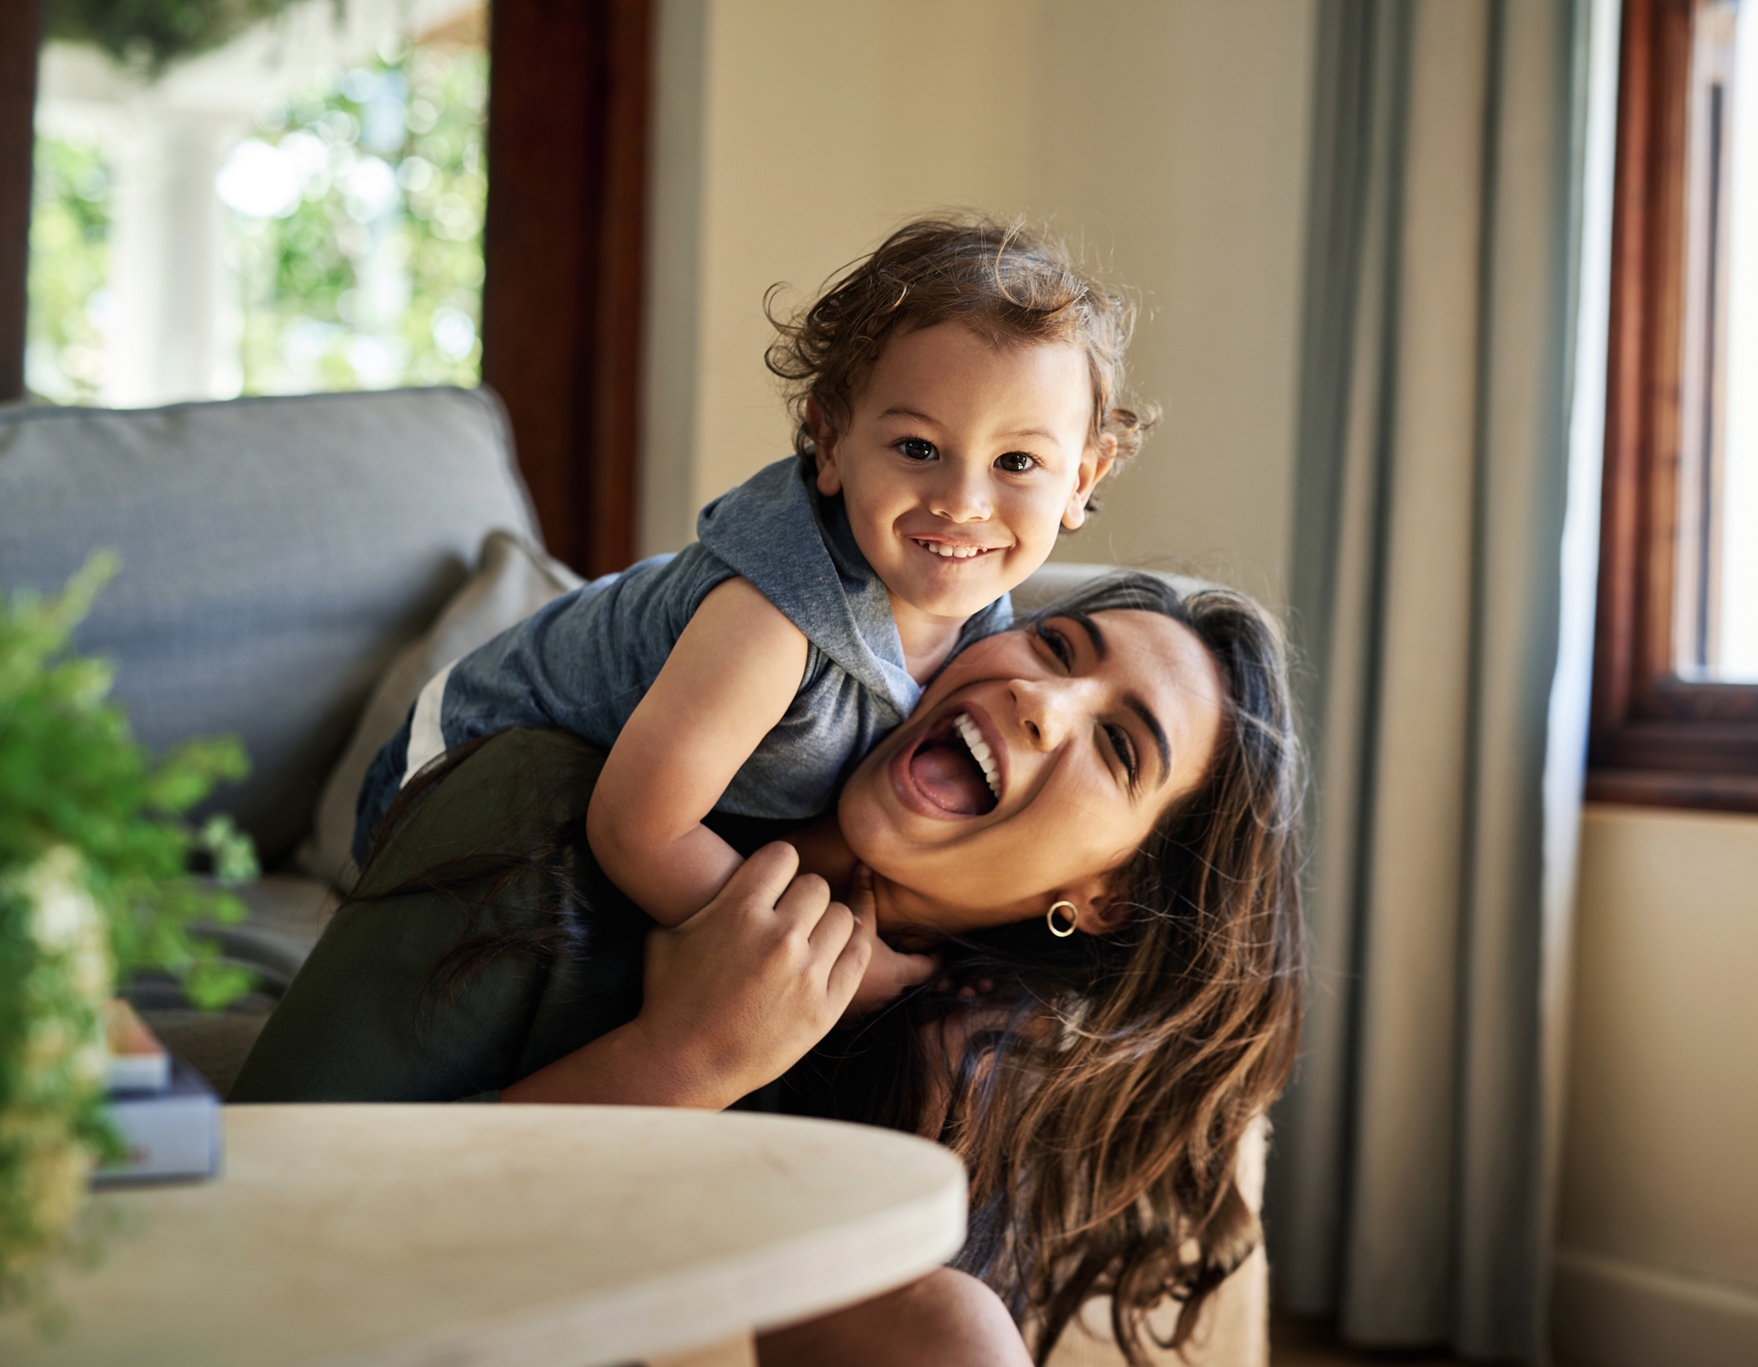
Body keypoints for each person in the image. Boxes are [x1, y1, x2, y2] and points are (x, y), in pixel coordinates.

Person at [236, 576, 1304, 1366]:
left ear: (1102, 897)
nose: (1042, 697)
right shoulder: (532, 808)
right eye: (1058, 645)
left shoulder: (963, 1057)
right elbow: (267, 1236)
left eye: (1117, 747)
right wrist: (681, 1055)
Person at [350, 215, 1154, 933]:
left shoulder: (991, 622)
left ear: (1081, 478)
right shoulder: (770, 624)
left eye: (1017, 461)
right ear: (832, 443)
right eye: (918, 448)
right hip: (450, 786)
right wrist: (828, 967)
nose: (964, 503)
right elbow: (639, 830)